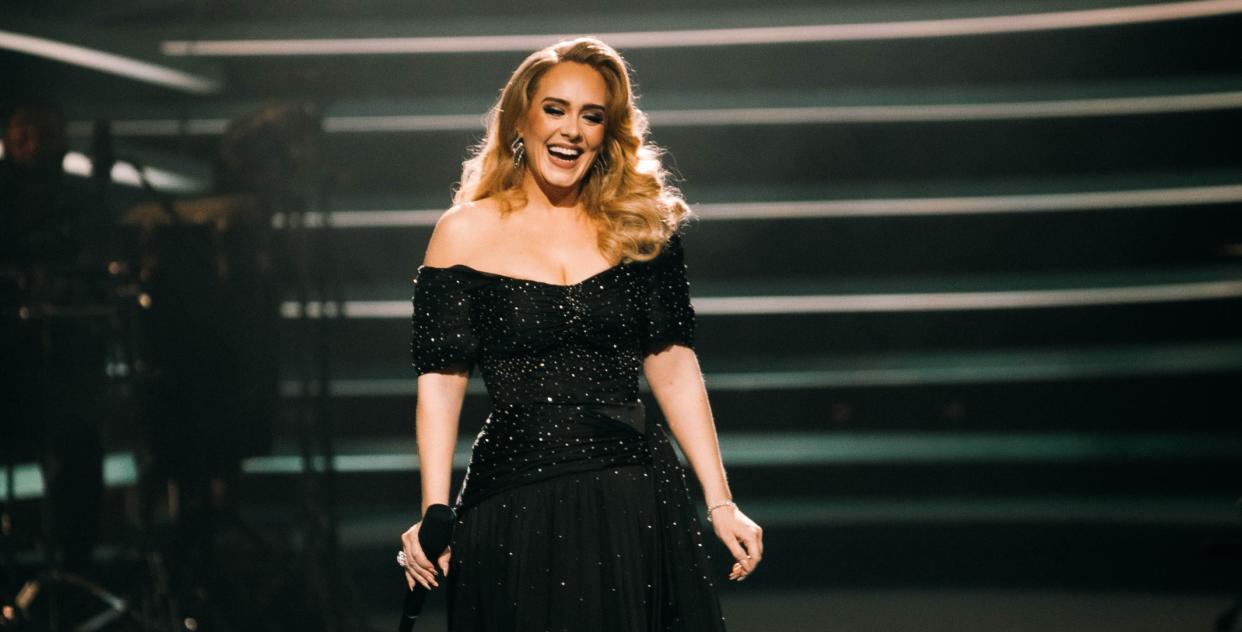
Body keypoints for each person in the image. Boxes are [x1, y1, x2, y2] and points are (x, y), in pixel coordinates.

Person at [400, 37, 763, 631]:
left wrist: (721, 502)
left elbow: (672, 364)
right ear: (521, 117)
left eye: (591, 116)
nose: (572, 130)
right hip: (515, 497)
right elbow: (441, 380)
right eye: (555, 109)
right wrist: (435, 509)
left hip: (635, 495)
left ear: (607, 132)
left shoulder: (642, 226)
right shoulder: (462, 233)